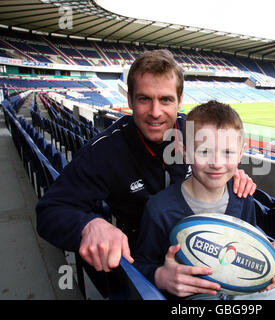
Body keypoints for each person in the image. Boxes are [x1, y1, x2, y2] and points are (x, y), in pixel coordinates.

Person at [35, 49, 256, 273]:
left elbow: (222, 158)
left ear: (180, 101)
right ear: (129, 99)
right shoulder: (104, 152)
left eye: (166, 100)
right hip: (141, 268)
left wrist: (230, 176)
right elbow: (49, 211)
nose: (155, 112)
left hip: (206, 258)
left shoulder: (194, 133)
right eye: (144, 99)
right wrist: (89, 225)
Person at [133, 101, 275, 300]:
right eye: (204, 152)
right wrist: (160, 276)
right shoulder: (160, 209)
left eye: (228, 152)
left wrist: (268, 267)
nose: (217, 163)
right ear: (186, 152)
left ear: (241, 153)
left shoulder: (243, 198)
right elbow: (139, 266)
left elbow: (246, 247)